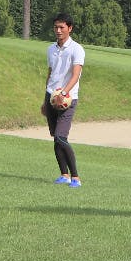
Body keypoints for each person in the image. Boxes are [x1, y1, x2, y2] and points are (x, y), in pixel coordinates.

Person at [42, 13, 86, 188]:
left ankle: (76, 177)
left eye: (62, 27)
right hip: (51, 96)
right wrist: (45, 100)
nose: (58, 31)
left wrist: (64, 93)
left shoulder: (77, 49)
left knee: (61, 137)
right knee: (55, 137)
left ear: (70, 28)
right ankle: (64, 174)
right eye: (56, 27)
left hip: (67, 98)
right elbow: (50, 74)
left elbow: (76, 75)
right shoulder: (51, 49)